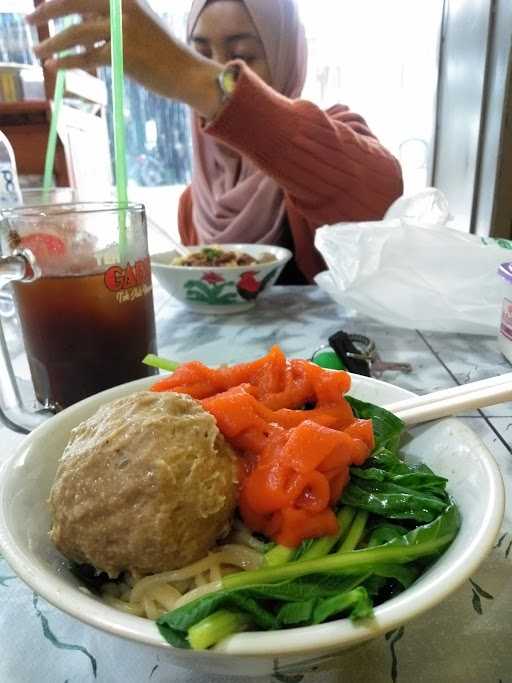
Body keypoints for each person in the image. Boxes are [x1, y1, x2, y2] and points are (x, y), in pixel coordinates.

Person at [28, 0, 403, 284]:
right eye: (200, 54)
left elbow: (381, 197)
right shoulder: (194, 203)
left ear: (286, 56)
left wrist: (193, 76)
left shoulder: (335, 132)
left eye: (242, 57)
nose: (220, 69)